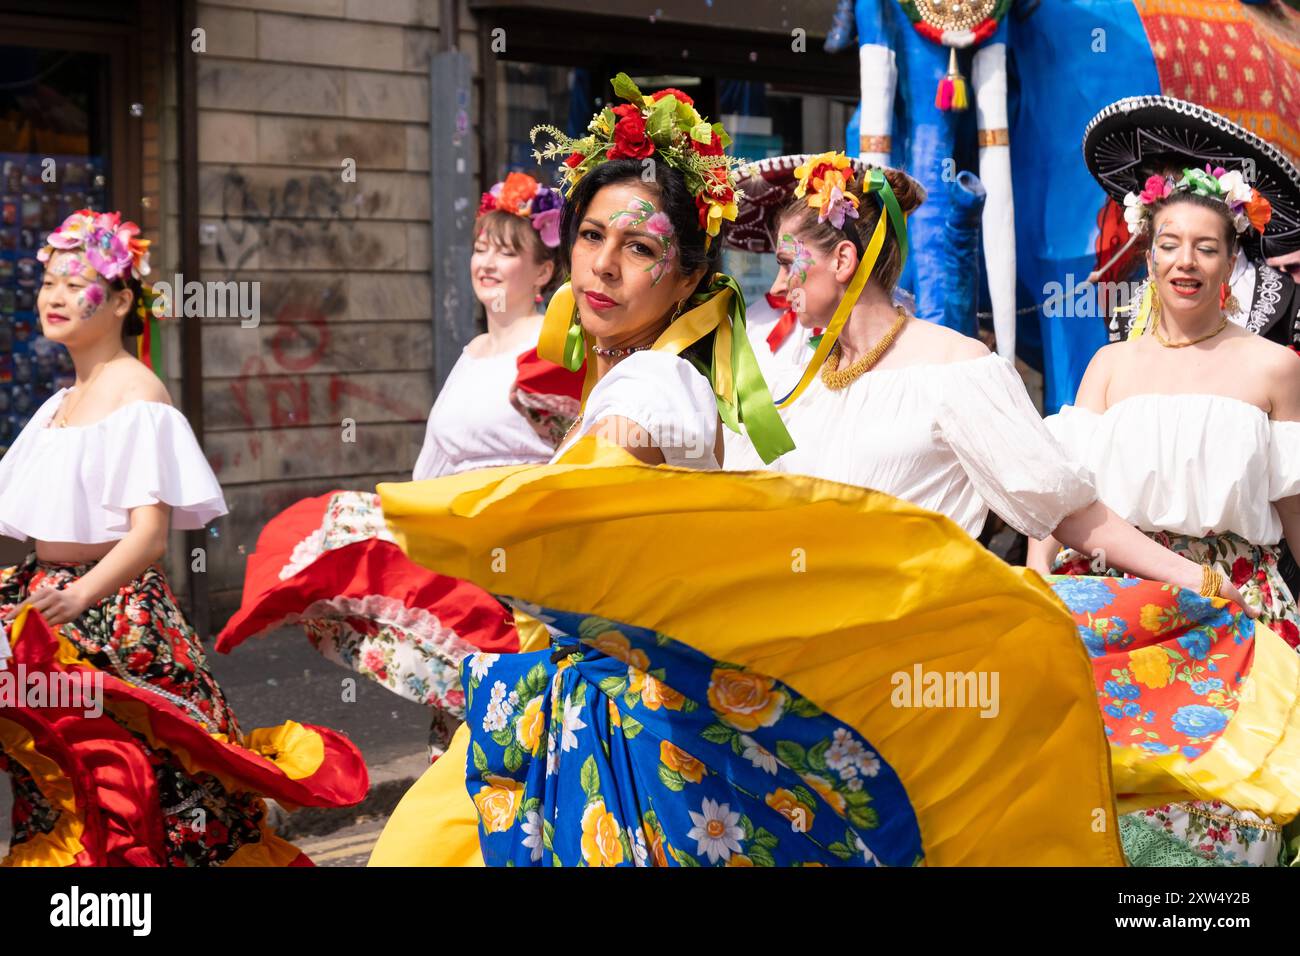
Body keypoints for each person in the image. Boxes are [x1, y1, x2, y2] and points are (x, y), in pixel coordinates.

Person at [366, 77, 1138, 868]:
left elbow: (1061, 506)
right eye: (592, 237)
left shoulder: (679, 379)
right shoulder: (776, 386)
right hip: (706, 688)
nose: (601, 267)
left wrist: (445, 530)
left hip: (810, 692)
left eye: (637, 248)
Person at [0, 210, 366, 866]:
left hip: (114, 617)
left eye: (73, 281)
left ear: (118, 302)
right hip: (46, 605)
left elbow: (147, 538)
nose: (53, 296)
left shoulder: (138, 395)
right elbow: (21, 530)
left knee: (155, 788)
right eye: (48, 281)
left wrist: (80, 594)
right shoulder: (55, 407)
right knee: (58, 788)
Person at [216, 174, 583, 759]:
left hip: (515, 554)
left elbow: (575, 454)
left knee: (514, 733)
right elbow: (432, 466)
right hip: (458, 545)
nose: (487, 263)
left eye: (508, 253)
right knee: (465, 741)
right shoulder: (472, 353)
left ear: (543, 272)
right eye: (481, 247)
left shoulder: (552, 344)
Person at [1029, 160, 1300, 866]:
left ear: (1231, 260)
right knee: (1117, 797)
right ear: (1147, 256)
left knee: (1228, 805)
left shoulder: (1275, 367)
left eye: (1206, 246)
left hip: (1237, 604)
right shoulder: (1110, 366)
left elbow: (1296, 508)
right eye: (1170, 243)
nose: (1187, 261)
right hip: (1121, 606)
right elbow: (1056, 499)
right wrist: (1035, 589)